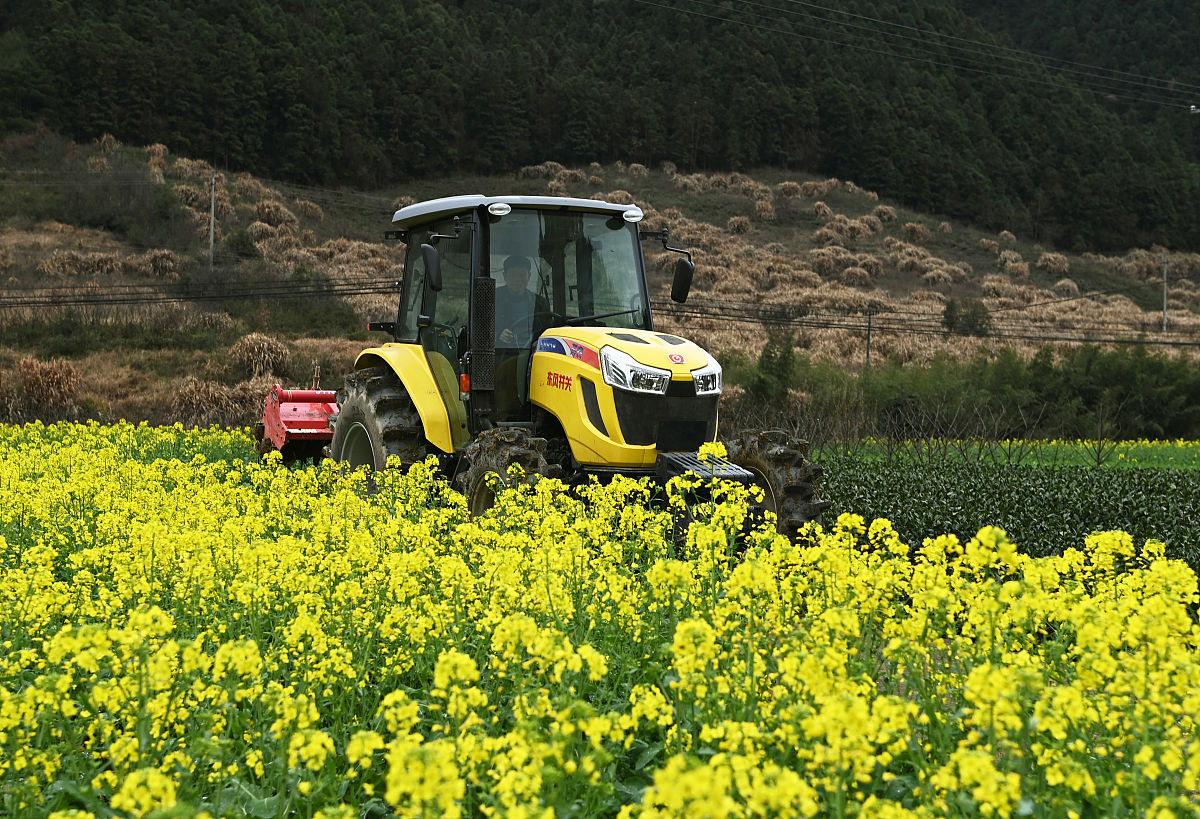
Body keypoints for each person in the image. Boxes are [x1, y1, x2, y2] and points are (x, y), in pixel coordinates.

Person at [495, 255, 550, 346]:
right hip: (500, 354)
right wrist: (498, 335)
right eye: (513, 275)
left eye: (522, 275)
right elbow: (480, 328)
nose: (517, 279)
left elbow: (548, 331)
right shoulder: (492, 299)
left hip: (532, 355)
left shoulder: (540, 303)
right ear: (505, 276)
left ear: (529, 276)